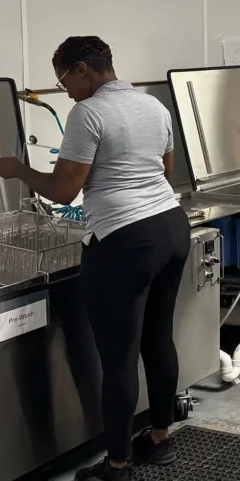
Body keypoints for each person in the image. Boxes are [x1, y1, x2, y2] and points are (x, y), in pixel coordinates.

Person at [0, 36, 190, 480]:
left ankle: (118, 464)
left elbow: (65, 190)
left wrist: (17, 170)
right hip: (171, 226)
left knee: (119, 357)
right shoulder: (151, 107)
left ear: (83, 69)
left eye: (64, 79)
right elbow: (166, 170)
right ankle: (160, 440)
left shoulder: (88, 113)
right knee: (158, 339)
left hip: (125, 241)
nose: (65, 90)